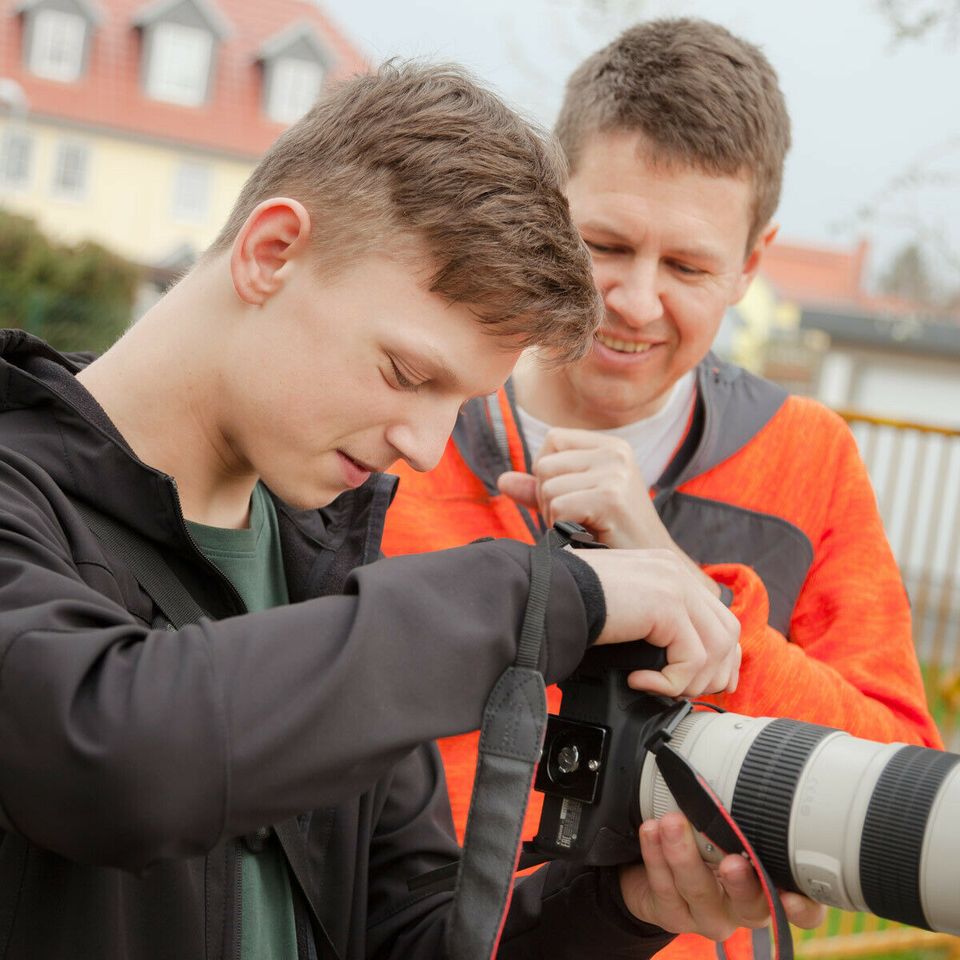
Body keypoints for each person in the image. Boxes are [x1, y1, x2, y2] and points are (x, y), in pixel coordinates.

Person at [0, 62, 827, 960]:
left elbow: (415, 937)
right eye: (407, 374)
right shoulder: (20, 497)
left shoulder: (326, 569)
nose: (428, 449)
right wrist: (534, 596)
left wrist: (625, 904)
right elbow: (112, 756)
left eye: (461, 402)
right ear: (272, 251)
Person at [381, 20, 944, 960]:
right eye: (604, 243)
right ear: (548, 201)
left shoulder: (808, 459)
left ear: (753, 264)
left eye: (687, 266)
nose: (634, 302)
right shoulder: (405, 425)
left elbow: (900, 775)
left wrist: (680, 583)